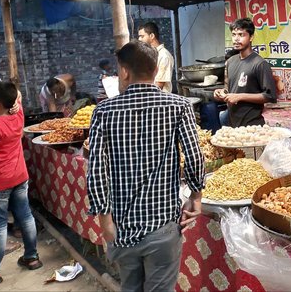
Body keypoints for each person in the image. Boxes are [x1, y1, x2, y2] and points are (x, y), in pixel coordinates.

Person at [87, 41, 204, 292]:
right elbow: (194, 156)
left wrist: (105, 221)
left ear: (125, 71)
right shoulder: (178, 106)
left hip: (120, 228)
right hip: (163, 228)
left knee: (130, 287)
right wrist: (196, 196)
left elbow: (96, 170)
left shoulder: (104, 111)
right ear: (154, 70)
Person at [0, 82, 41, 286]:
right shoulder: (18, 115)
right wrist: (16, 102)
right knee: (26, 216)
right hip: (20, 177)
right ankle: (32, 257)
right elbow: (16, 93)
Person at [214, 18, 277, 127]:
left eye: (241, 35)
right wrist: (220, 93)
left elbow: (270, 96)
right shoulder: (230, 62)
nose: (236, 39)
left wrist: (240, 96)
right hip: (232, 124)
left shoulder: (260, 64)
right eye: (234, 35)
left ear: (251, 37)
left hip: (252, 125)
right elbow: (228, 89)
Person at [137, 22, 174, 93]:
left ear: (152, 36)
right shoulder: (147, 53)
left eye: (142, 36)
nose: (139, 39)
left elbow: (159, 85)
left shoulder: (164, 56)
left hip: (159, 99)